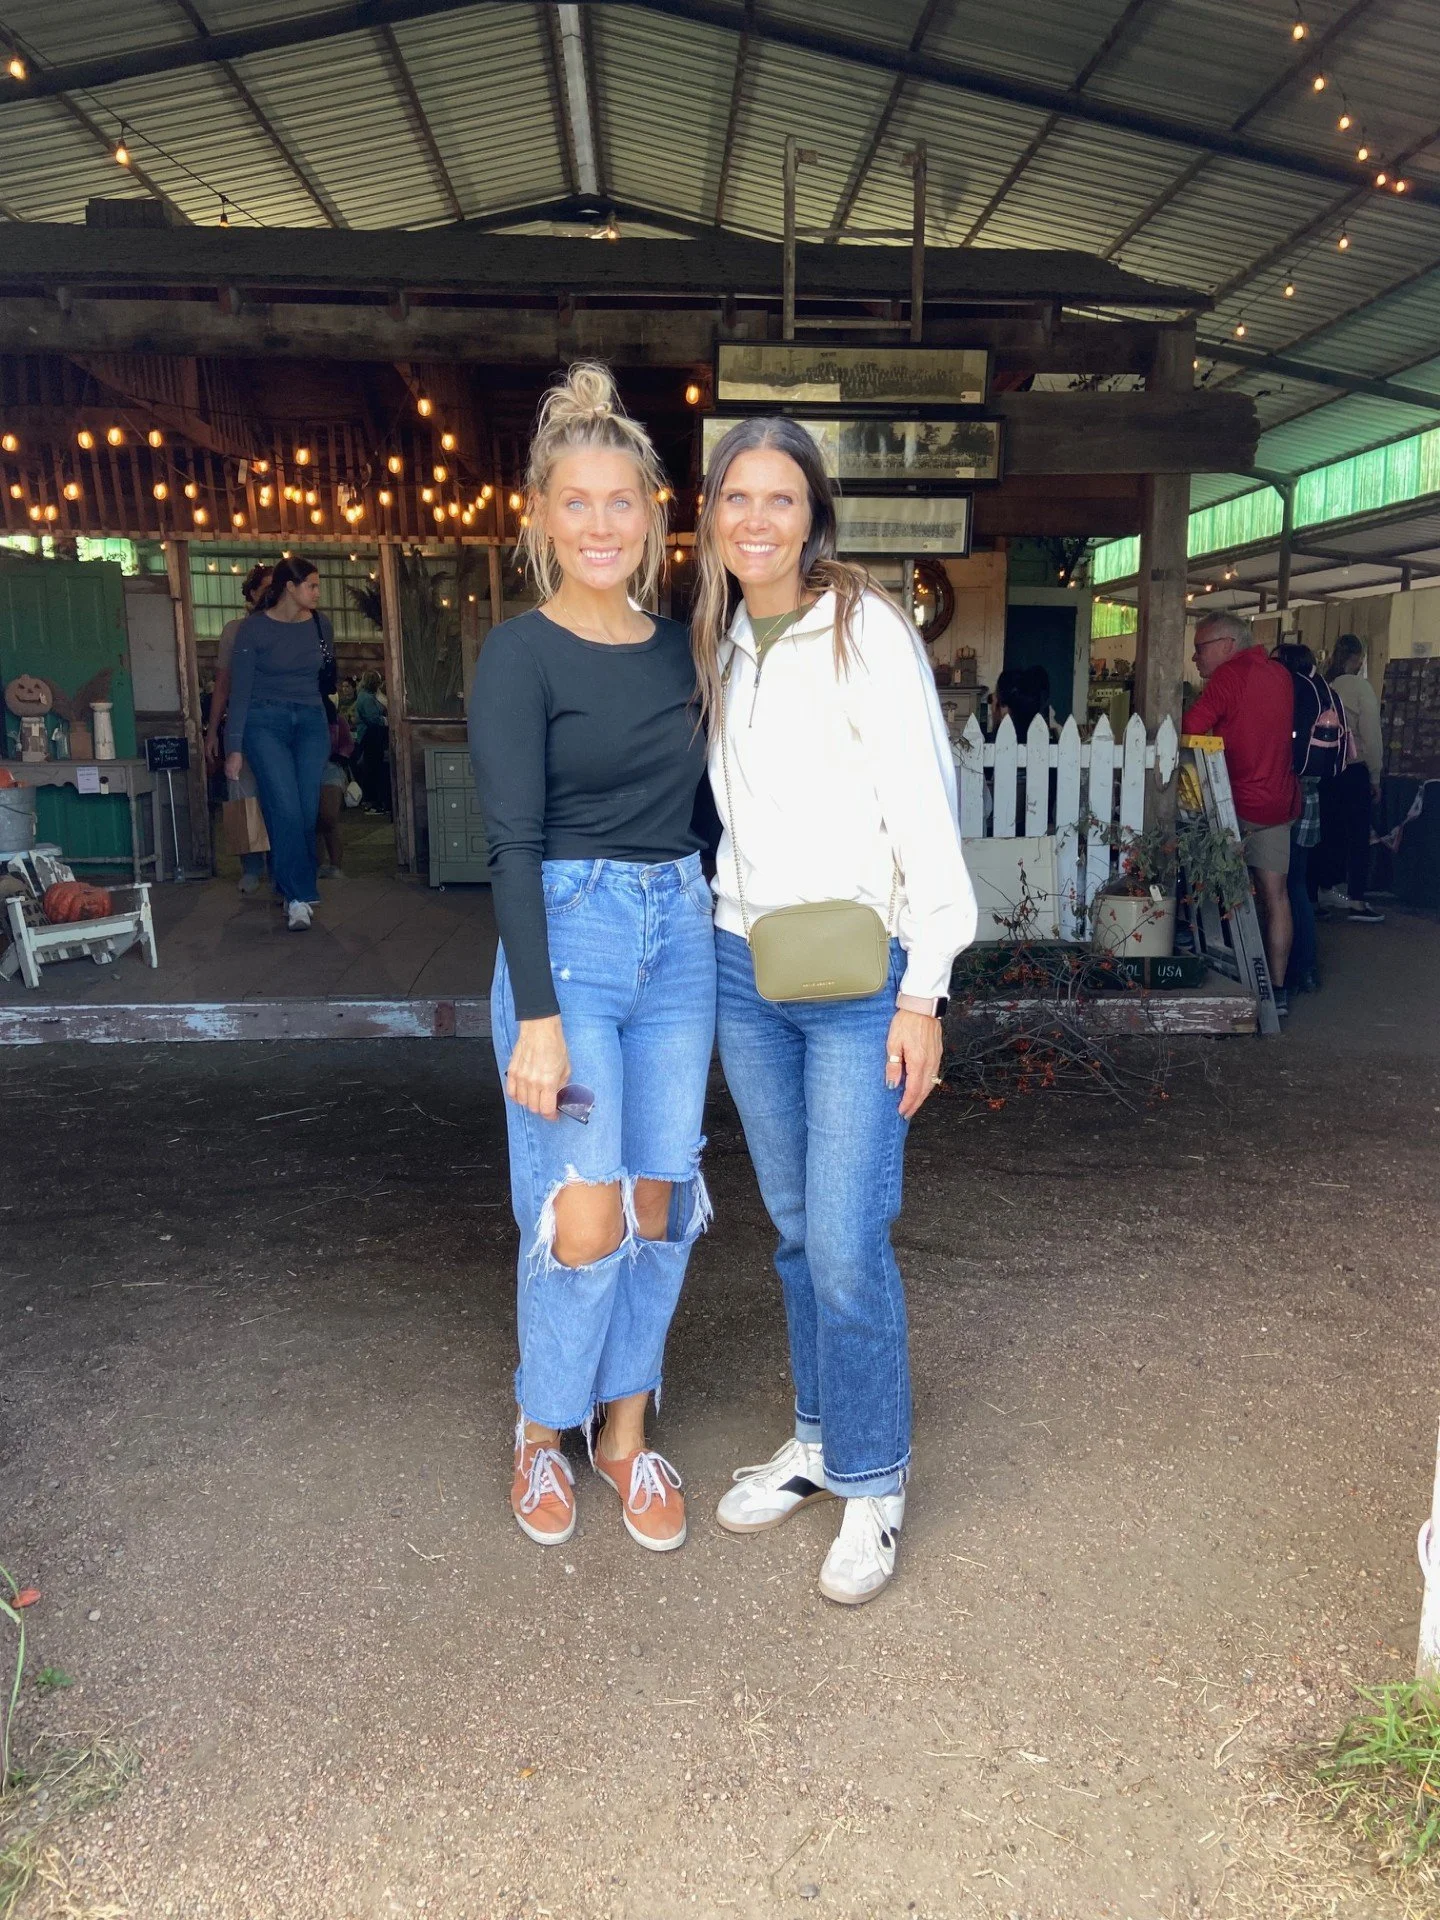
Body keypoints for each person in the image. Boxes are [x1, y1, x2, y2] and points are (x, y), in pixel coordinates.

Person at [692, 417, 978, 1606]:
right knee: (801, 1226)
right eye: (737, 498)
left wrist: (928, 989)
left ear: (814, 517)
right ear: (710, 514)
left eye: (781, 499)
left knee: (852, 1239)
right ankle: (819, 1439)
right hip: (743, 962)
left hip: (866, 972)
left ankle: (875, 1475)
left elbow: (925, 802)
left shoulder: (865, 629)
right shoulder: (715, 637)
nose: (757, 518)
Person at [469, 362, 715, 1555]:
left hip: (680, 932)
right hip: (568, 936)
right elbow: (510, 842)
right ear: (539, 519)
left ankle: (623, 1435)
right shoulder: (520, 655)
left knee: (660, 1201)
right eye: (577, 503)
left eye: (624, 503)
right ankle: (540, 1429)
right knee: (584, 1212)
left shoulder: (687, 653)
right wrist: (538, 1015)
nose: (602, 525)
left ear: (657, 517)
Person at [1182, 612, 1300, 1013]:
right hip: (1278, 801)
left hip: (1234, 804)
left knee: (1216, 894)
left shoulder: (1228, 677)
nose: (1195, 658)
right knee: (1277, 898)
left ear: (1226, 645)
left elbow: (1189, 726)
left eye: (1200, 648)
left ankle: (1230, 974)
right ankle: (1278, 991)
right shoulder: (1280, 675)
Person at [223, 557, 334, 932]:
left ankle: (291, 889)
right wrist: (233, 746)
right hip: (263, 722)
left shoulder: (321, 625)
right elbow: (239, 691)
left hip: (311, 721)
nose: (318, 593)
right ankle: (299, 897)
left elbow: (325, 678)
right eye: (312, 586)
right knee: (284, 805)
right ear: (290, 587)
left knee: (305, 808)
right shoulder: (253, 630)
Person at [205, 563, 272, 896]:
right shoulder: (235, 630)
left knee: (279, 793)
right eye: (266, 587)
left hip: (275, 723)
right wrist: (212, 730)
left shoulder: (290, 628)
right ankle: (250, 866)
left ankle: (280, 864)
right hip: (242, 724)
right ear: (252, 593)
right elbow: (222, 684)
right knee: (240, 792)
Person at [1274, 640, 1334, 994]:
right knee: (1297, 886)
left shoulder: (1292, 690)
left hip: (1291, 792)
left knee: (1285, 888)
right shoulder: (1321, 688)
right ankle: (1307, 967)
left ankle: (1298, 965)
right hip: (1311, 793)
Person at [1318, 633, 1384, 924]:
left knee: (1329, 832)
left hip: (1326, 769)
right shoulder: (1360, 687)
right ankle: (1357, 899)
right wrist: (1375, 774)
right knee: (1358, 835)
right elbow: (1371, 734)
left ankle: (1324, 887)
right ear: (1357, 658)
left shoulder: (1324, 684)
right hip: (1355, 769)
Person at [317, 695, 353, 880]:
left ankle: (335, 865)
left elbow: (347, 743)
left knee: (328, 816)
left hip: (331, 768)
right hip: (309, 768)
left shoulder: (338, 721)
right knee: (313, 820)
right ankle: (318, 864)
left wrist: (341, 756)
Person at [352, 671, 390, 812]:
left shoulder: (364, 696)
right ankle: (372, 801)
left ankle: (371, 800)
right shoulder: (367, 699)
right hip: (371, 737)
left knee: (371, 768)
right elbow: (373, 719)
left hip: (368, 736)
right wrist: (387, 720)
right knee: (372, 768)